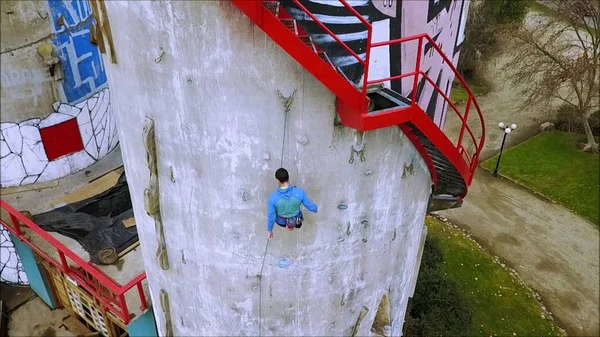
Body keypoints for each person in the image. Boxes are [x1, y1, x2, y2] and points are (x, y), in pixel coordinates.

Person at [266, 168, 318, 239]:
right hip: (297, 218)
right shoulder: (299, 192)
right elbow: (310, 206)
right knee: (299, 223)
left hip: (281, 222)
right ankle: (296, 225)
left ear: (277, 181)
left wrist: (269, 230)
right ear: (288, 178)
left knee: (281, 221)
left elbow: (271, 217)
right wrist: (316, 209)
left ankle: (289, 225)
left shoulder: (272, 198)